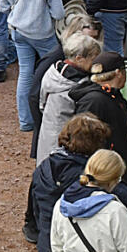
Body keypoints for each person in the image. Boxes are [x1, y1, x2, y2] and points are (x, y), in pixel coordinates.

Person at [26, 113, 106, 252]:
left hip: (49, 244)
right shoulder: (86, 176)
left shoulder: (45, 166)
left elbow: (33, 204)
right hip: (75, 249)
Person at [0, 0, 63, 138]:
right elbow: (58, 13)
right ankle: (51, 115)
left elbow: (1, 6)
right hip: (42, 34)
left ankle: (25, 121)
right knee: (54, 71)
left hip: (19, 32)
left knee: (25, 74)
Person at [67, 52, 127, 196]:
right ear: (119, 73)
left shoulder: (112, 95)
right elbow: (84, 144)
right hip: (106, 179)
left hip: (116, 173)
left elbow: (123, 131)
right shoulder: (95, 101)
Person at [36, 32, 100, 160]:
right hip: (66, 139)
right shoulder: (79, 84)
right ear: (79, 58)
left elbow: (41, 102)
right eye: (93, 58)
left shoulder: (53, 71)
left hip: (48, 129)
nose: (95, 63)